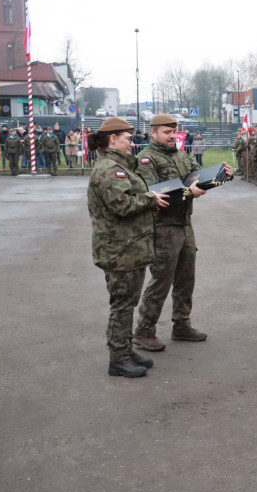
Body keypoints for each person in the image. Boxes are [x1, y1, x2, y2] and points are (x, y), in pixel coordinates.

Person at [133, 114, 225, 351]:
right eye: (167, 132)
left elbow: (197, 177)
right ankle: (144, 330)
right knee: (161, 280)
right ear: (153, 133)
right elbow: (155, 193)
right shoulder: (146, 159)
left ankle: (181, 324)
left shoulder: (180, 155)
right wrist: (188, 192)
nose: (173, 136)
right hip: (162, 228)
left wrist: (221, 176)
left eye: (174, 132)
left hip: (184, 225)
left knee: (186, 278)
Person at [85, 116, 168, 378]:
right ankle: (118, 359)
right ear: (113, 139)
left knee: (127, 303)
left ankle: (126, 351)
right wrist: (150, 198)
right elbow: (122, 205)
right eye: (128, 138)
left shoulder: (119, 166)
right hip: (119, 250)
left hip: (128, 248)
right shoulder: (110, 169)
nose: (132, 143)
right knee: (121, 305)